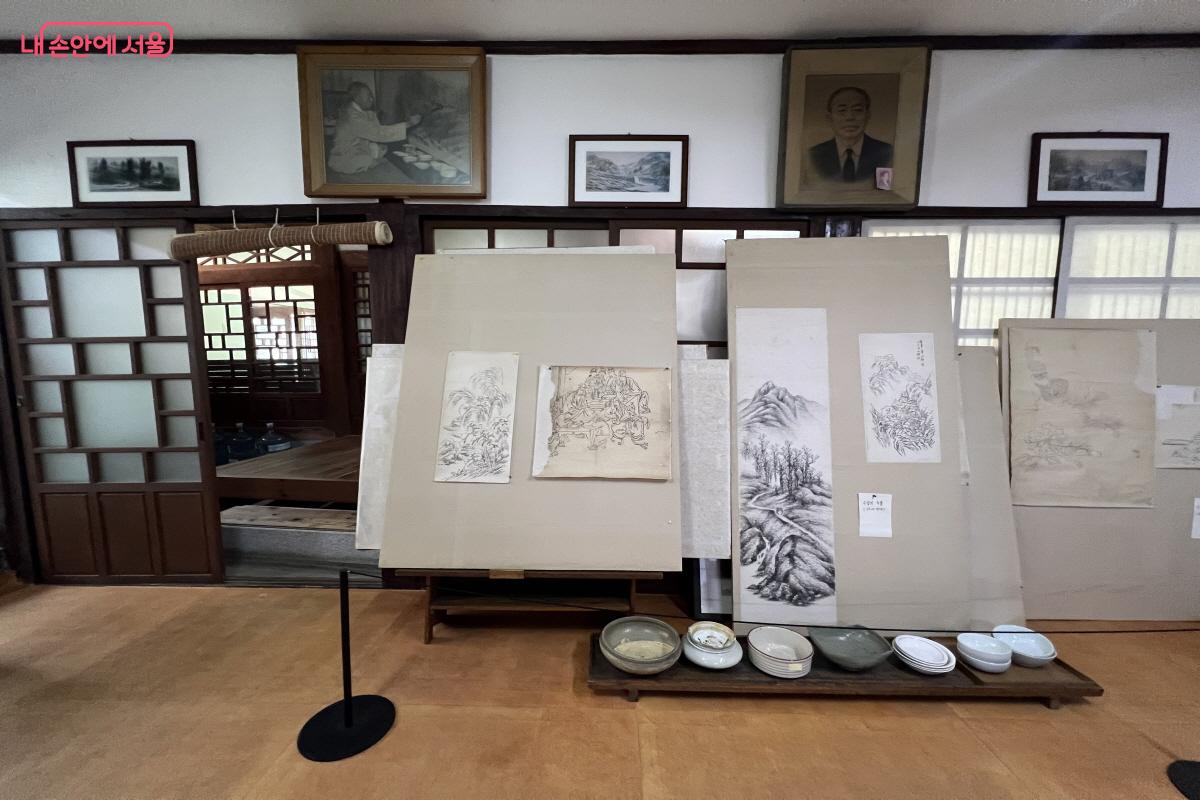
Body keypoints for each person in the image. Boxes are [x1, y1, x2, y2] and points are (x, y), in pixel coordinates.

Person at [326, 81, 422, 175]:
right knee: (371, 160)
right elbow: (378, 133)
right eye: (368, 96)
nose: (371, 99)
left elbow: (375, 129)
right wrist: (408, 124)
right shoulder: (352, 116)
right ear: (357, 98)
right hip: (344, 155)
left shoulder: (360, 111)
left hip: (358, 147)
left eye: (371, 96)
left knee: (383, 149)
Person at [807, 86, 893, 183]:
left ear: (868, 115)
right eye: (842, 110)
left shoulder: (885, 153)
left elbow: (884, 188)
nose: (849, 117)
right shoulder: (813, 155)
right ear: (829, 118)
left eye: (857, 110)